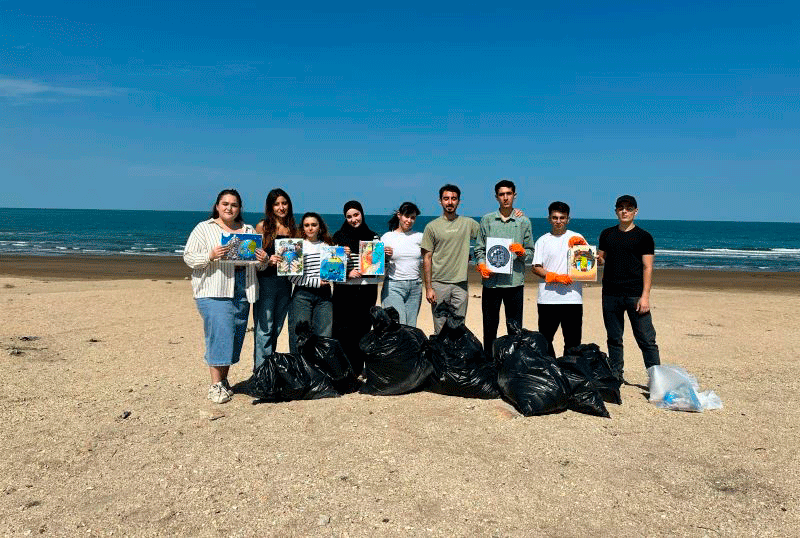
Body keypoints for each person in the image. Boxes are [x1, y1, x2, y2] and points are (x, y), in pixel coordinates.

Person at [184, 189, 267, 404]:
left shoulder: (248, 230)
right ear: (217, 206)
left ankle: (224, 381)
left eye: (234, 204)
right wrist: (210, 255)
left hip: (242, 288)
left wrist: (263, 259)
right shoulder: (204, 228)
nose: (229, 208)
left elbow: (258, 265)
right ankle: (215, 385)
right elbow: (189, 257)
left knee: (234, 336)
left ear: (239, 208)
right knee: (220, 334)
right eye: (225, 204)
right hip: (213, 289)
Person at [597, 195, 661, 381]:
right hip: (610, 293)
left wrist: (645, 296)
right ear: (615, 210)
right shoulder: (607, 234)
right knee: (614, 339)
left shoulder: (644, 237)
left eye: (629, 208)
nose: (624, 211)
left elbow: (648, 267)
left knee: (647, 340)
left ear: (636, 211)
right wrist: (590, 258)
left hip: (635, 295)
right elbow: (601, 259)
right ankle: (617, 376)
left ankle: (656, 380)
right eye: (621, 208)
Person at [473, 180, 534, 355]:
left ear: (514, 195)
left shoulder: (523, 221)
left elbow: (530, 252)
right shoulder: (487, 220)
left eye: (508, 194)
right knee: (489, 327)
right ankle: (489, 363)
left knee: (514, 329)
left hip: (514, 283)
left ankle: (512, 364)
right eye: (502, 194)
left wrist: (523, 253)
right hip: (491, 283)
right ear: (496, 197)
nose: (505, 198)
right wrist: (481, 264)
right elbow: (479, 248)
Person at [420, 184, 480, 334]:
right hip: (439, 284)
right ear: (440, 201)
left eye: (453, 199)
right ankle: (441, 357)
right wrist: (428, 288)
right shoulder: (431, 227)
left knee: (459, 328)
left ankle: (455, 358)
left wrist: (513, 213)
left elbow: (487, 236)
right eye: (446, 198)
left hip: (461, 285)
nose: (450, 202)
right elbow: (426, 258)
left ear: (459, 201)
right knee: (440, 329)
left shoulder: (468, 223)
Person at [332, 201, 379, 384]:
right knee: (343, 330)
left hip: (367, 290)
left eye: (356, 215)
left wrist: (385, 254)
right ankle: (344, 369)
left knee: (363, 328)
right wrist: (346, 270)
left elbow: (377, 265)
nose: (353, 219)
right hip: (344, 292)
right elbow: (331, 267)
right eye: (349, 216)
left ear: (362, 214)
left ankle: (358, 368)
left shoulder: (373, 236)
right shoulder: (338, 236)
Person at [532, 201, 587, 357]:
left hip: (573, 299)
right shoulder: (542, 240)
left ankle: (569, 375)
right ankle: (552, 373)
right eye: (555, 217)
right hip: (547, 299)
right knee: (545, 340)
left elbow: (588, 265)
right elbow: (535, 267)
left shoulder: (578, 238)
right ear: (549, 219)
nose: (558, 221)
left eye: (562, 218)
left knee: (573, 342)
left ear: (568, 219)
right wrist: (554, 277)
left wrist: (583, 249)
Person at [252, 188, 297, 373]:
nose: (281, 207)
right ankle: (261, 373)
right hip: (266, 282)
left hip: (286, 283)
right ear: (271, 207)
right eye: (277, 204)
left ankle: (269, 369)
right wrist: (268, 260)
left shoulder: (294, 229)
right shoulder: (263, 226)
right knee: (265, 328)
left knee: (277, 327)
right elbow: (254, 256)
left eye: (284, 203)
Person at [288, 213, 334, 355]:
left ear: (320, 227)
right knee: (299, 334)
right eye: (307, 225)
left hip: (325, 296)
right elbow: (292, 278)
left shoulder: (328, 246)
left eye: (314, 225)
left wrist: (344, 256)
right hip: (302, 295)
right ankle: (299, 370)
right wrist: (316, 283)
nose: (310, 228)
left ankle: (320, 371)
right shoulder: (295, 247)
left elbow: (334, 273)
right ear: (302, 228)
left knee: (324, 335)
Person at [380, 202, 423, 326]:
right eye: (406, 216)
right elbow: (376, 266)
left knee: (411, 326)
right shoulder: (387, 237)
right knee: (397, 324)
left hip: (415, 287)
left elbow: (430, 257)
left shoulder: (420, 237)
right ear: (399, 215)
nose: (409, 220)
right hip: (393, 286)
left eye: (413, 217)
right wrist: (385, 256)